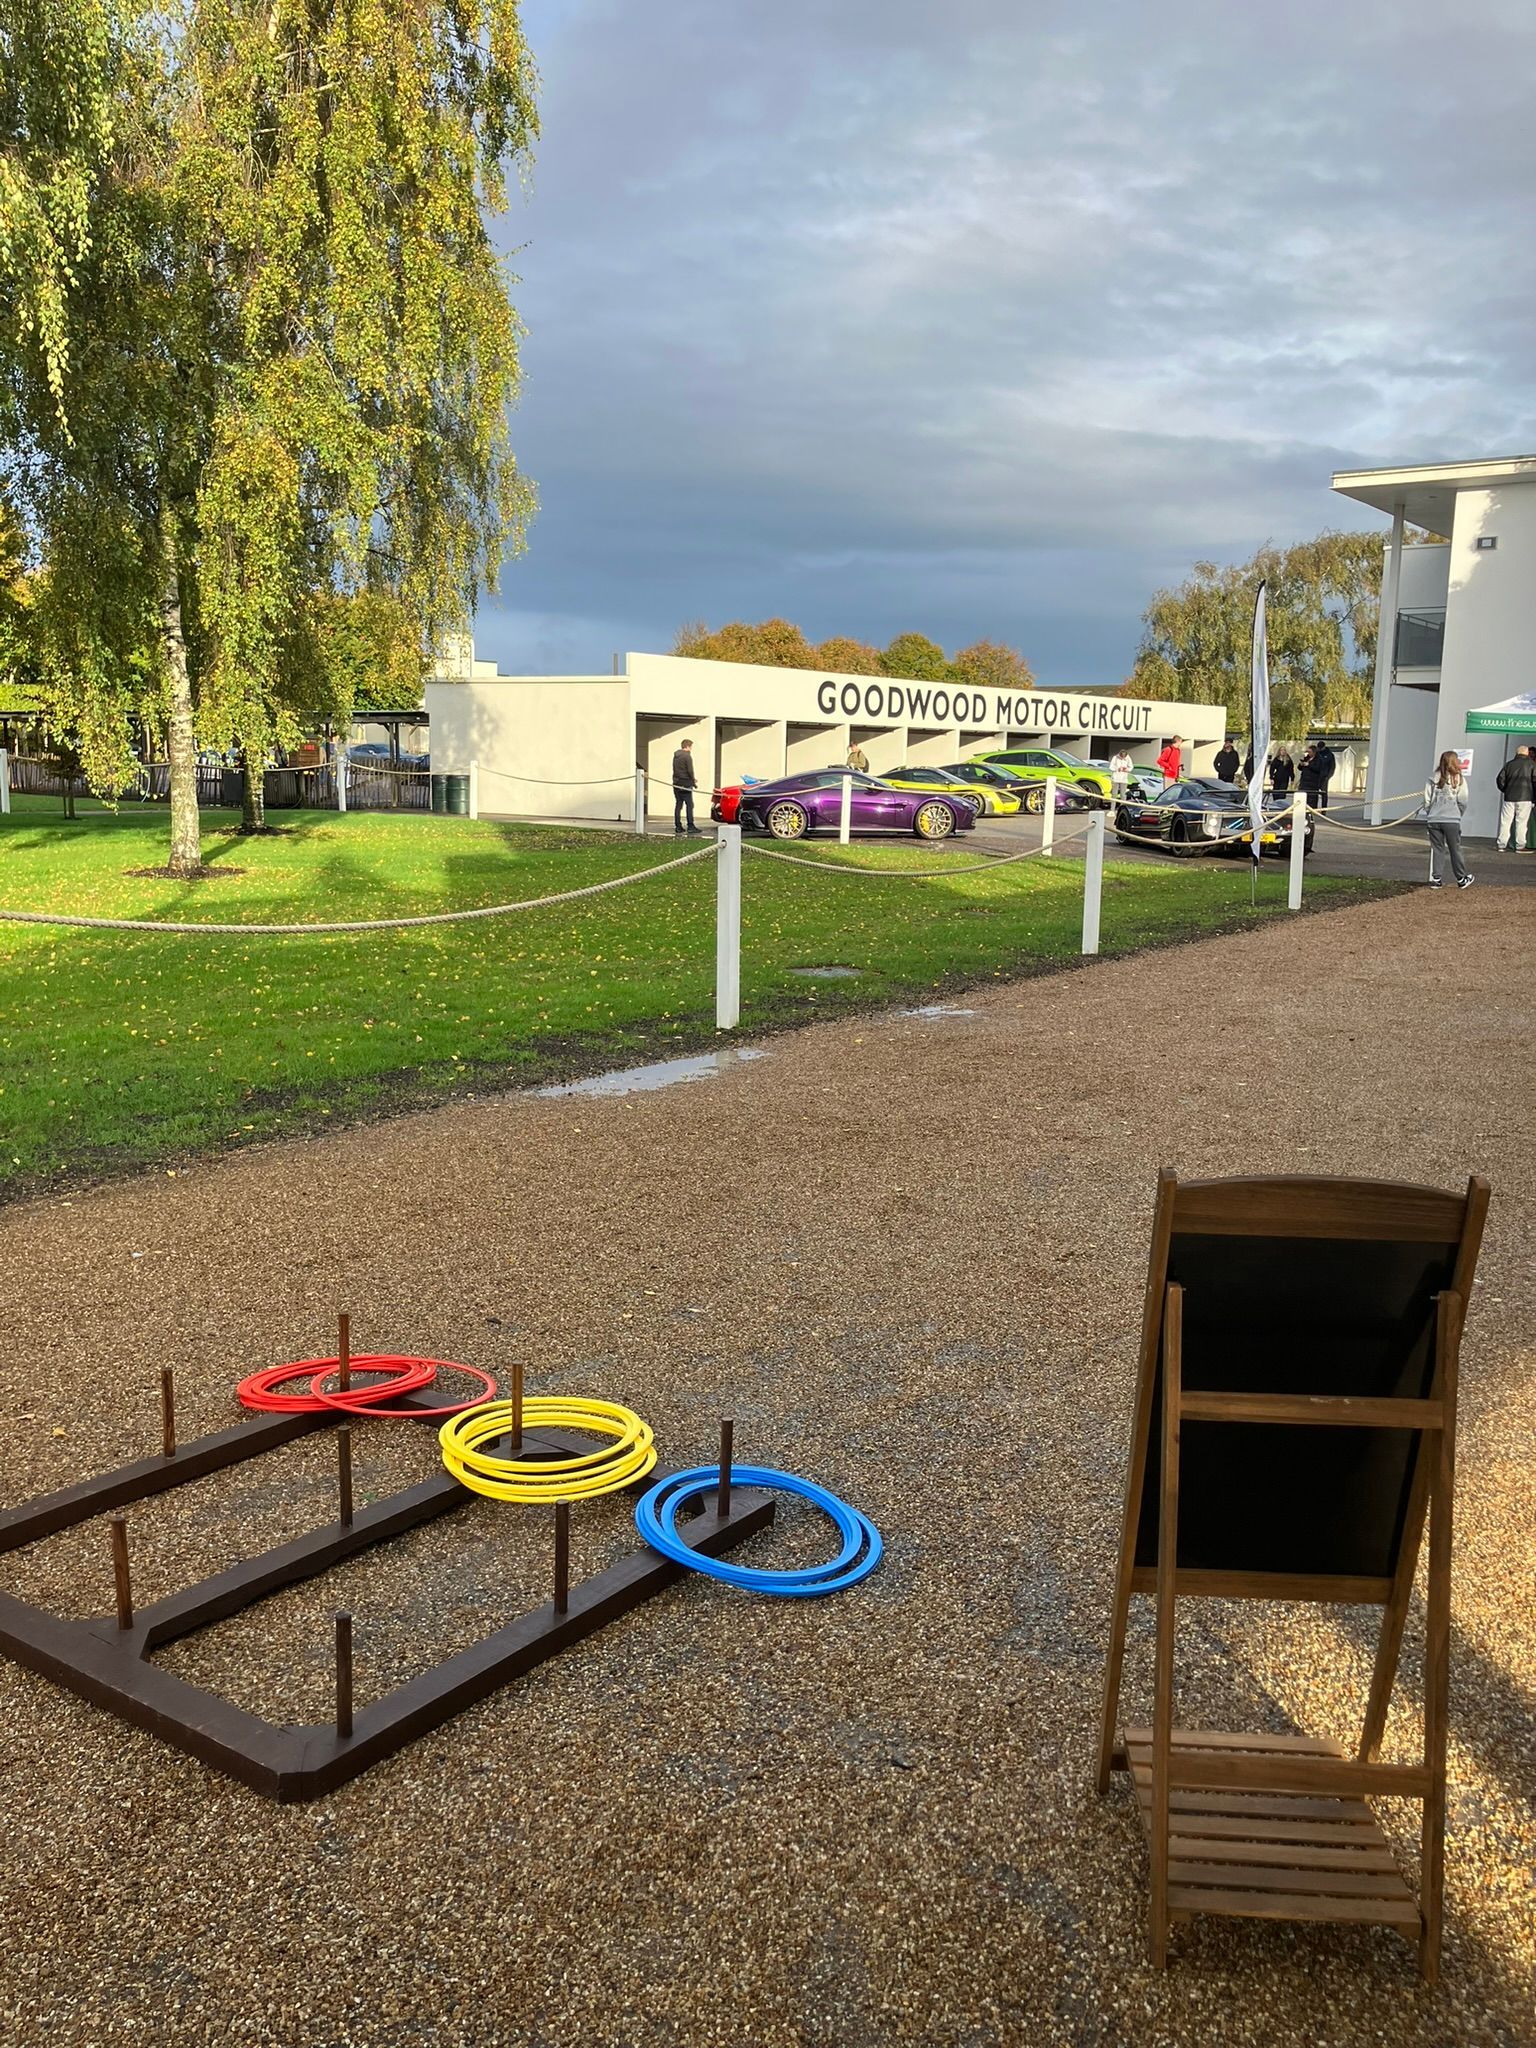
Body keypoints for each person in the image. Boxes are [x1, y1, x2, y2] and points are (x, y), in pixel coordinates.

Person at [1421, 749, 1474, 889]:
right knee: (1455, 849)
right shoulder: (1459, 779)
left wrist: (1430, 812)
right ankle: (1461, 878)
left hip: (1434, 819)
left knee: (1437, 849)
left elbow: (1427, 800)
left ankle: (1436, 879)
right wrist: (1457, 813)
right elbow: (1463, 801)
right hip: (1451, 819)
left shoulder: (1433, 779)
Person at [1494, 743, 1534, 852]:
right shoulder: (1531, 765)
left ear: (1517, 753)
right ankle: (1520, 846)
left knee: (1505, 821)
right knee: (1521, 822)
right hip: (1526, 797)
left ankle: (1501, 845)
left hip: (1509, 797)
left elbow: (1500, 779)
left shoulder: (1509, 764)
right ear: (1527, 753)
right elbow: (1535, 781)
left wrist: (1506, 790)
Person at [671, 738, 700, 835]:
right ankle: (690, 825)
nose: (691, 749)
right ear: (687, 746)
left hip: (676, 782)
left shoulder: (676, 756)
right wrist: (693, 780)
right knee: (690, 805)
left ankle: (678, 826)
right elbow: (690, 770)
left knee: (678, 805)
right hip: (685, 783)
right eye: (691, 746)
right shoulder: (687, 756)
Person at [1314, 738, 1337, 810]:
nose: (1319, 749)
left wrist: (1328, 776)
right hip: (1316, 776)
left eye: (1320, 748)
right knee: (1314, 794)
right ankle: (1314, 808)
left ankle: (1324, 809)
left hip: (1324, 777)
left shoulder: (1330, 755)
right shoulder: (1316, 754)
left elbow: (1332, 767)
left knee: (1324, 794)